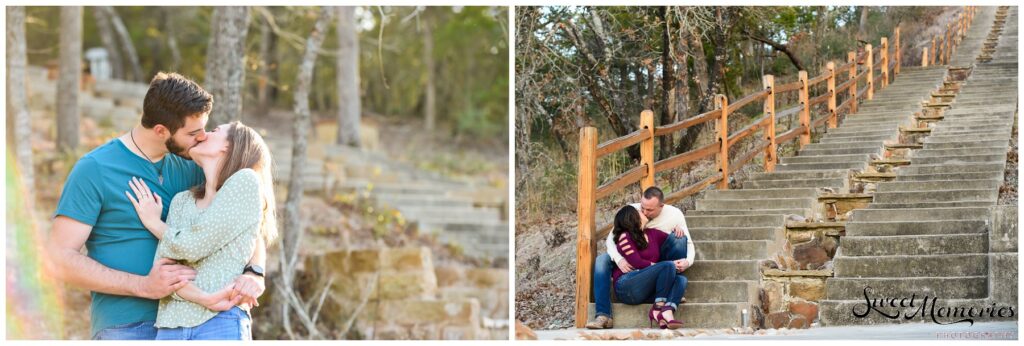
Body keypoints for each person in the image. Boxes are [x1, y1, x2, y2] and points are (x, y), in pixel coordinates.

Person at [47, 72, 267, 340]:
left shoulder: (196, 165)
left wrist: (255, 272)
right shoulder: (96, 169)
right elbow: (60, 258)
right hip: (126, 324)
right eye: (193, 133)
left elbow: (246, 222)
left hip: (198, 316)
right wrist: (143, 287)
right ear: (161, 130)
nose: (202, 138)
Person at [126, 121, 276, 340]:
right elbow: (164, 270)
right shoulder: (181, 201)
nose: (204, 135)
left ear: (229, 146)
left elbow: (193, 246)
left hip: (220, 321)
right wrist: (204, 298)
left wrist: (154, 223)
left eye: (215, 131)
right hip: (170, 326)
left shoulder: (245, 182)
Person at [586, 186, 695, 329]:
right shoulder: (629, 221)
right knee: (601, 260)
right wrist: (619, 259)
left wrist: (686, 258)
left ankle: (666, 307)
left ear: (661, 206)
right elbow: (611, 241)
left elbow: (686, 241)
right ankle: (603, 314)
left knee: (681, 278)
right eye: (642, 208)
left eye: (649, 210)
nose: (643, 212)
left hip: (650, 274)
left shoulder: (667, 221)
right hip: (631, 278)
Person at [609, 206, 687, 329]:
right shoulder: (625, 237)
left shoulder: (652, 234)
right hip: (626, 285)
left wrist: (676, 229)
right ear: (631, 217)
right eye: (639, 211)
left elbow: (671, 240)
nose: (643, 212)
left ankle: (667, 310)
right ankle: (658, 307)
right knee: (667, 265)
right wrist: (664, 267)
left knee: (681, 280)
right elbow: (637, 263)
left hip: (646, 289)